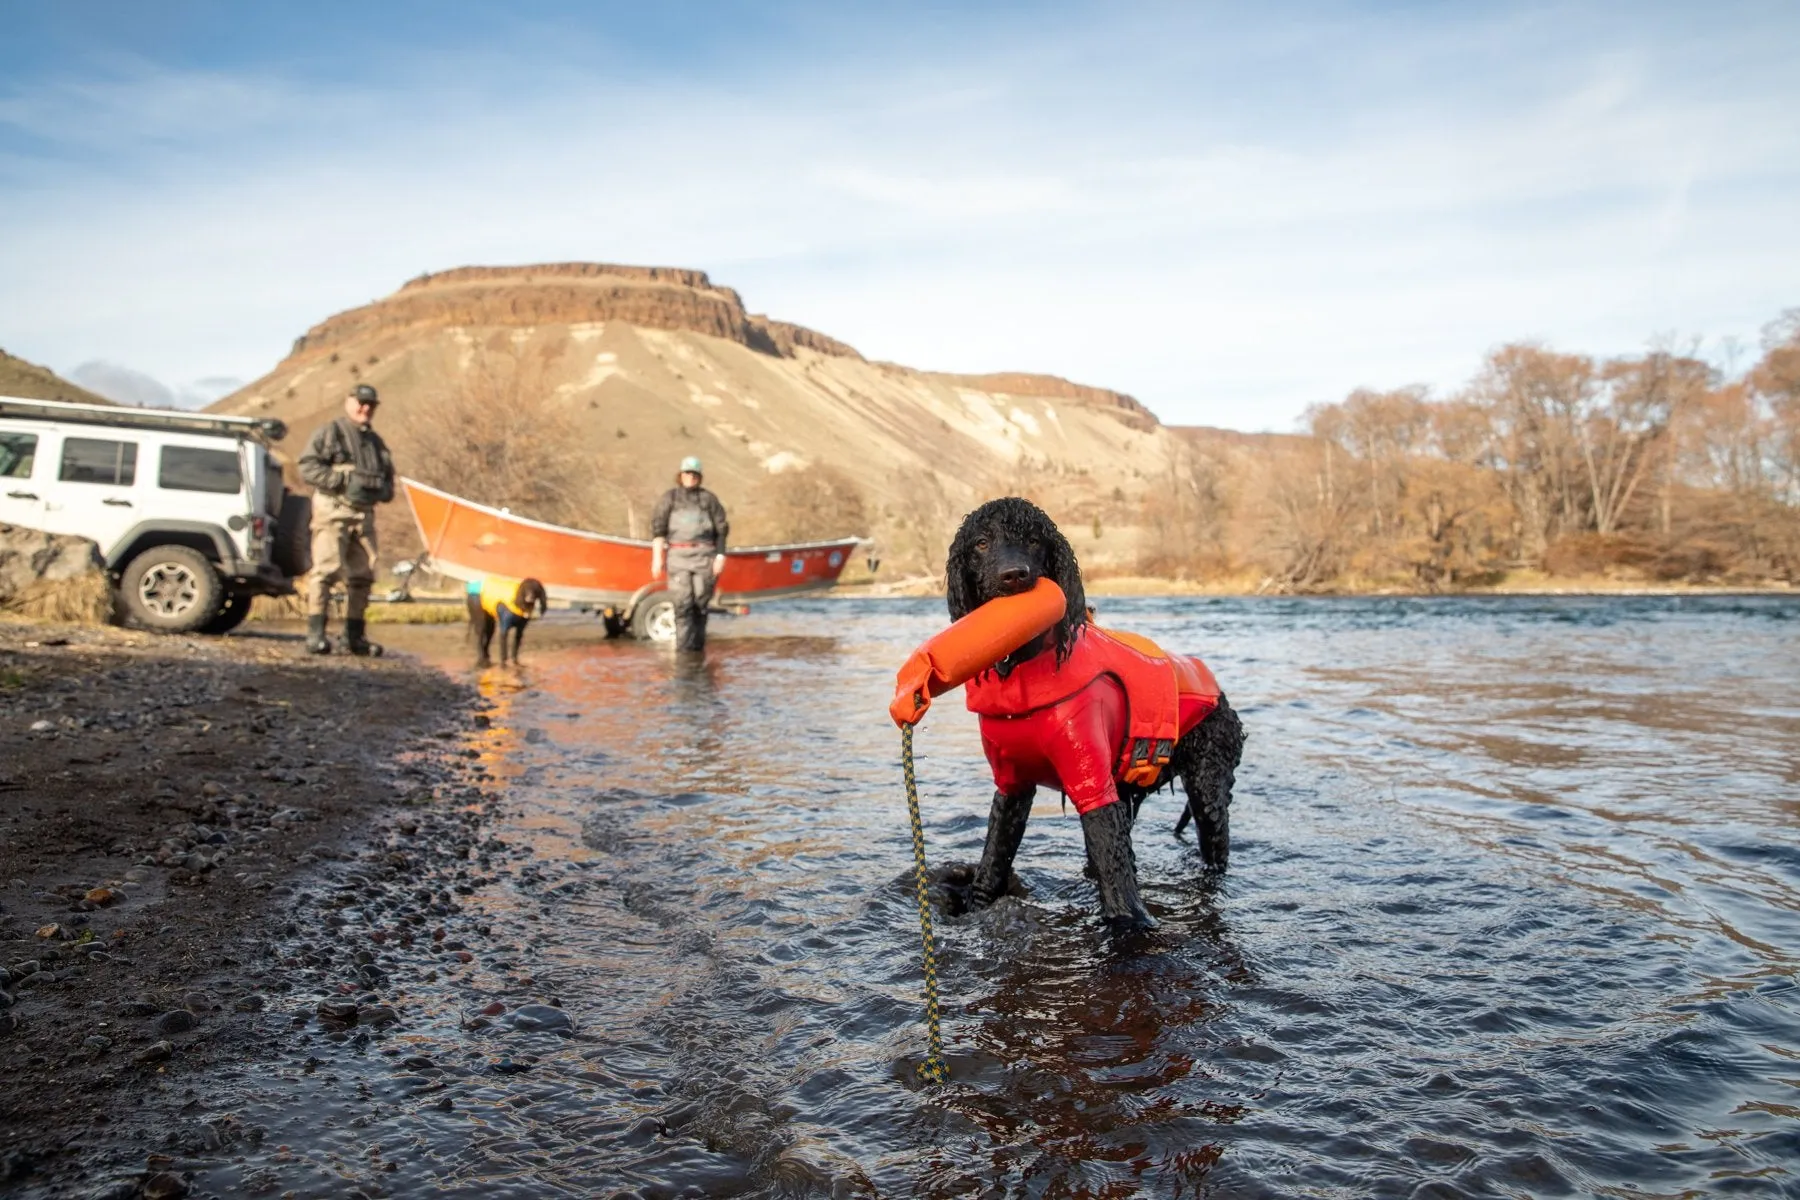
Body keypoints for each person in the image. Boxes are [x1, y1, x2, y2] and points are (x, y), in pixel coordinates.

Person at [298, 383, 395, 656]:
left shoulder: (377, 444)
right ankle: (315, 635)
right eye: (361, 402)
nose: (365, 408)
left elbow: (389, 483)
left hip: (364, 516)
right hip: (332, 512)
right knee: (326, 571)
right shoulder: (330, 433)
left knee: (363, 576)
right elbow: (307, 466)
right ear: (348, 402)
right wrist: (341, 480)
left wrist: (377, 490)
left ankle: (354, 638)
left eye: (370, 404)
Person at [649, 455, 729, 652]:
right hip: (678, 556)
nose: (691, 477)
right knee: (682, 603)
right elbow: (658, 530)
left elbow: (721, 530)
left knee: (700, 604)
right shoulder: (669, 498)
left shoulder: (709, 500)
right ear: (680, 475)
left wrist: (720, 556)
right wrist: (657, 558)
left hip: (705, 556)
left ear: (699, 476)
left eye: (694, 474)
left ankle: (698, 651)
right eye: (687, 473)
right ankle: (683, 652)